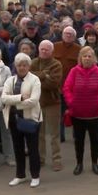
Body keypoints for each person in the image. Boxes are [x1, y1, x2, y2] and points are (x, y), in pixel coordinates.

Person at [63, 46, 98, 176]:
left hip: (95, 114)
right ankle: (79, 163)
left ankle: (95, 163)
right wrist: (71, 102)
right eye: (85, 56)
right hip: (78, 114)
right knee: (79, 141)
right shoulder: (74, 71)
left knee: (95, 140)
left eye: (90, 56)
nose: (87, 58)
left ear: (94, 58)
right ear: (80, 58)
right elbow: (66, 88)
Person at [1, 53, 42, 188]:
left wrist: (14, 102)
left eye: (24, 65)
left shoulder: (35, 80)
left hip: (31, 119)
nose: (22, 68)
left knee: (32, 149)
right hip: (14, 119)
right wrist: (20, 98)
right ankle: (20, 175)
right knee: (18, 149)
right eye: (19, 65)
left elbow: (33, 101)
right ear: (15, 66)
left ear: (29, 66)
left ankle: (35, 176)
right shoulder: (10, 80)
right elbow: (4, 98)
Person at [30, 40, 64, 171]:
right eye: (42, 49)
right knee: (39, 133)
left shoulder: (56, 64)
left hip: (52, 103)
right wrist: (44, 75)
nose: (44, 51)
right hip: (37, 103)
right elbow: (28, 80)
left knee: (54, 134)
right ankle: (40, 158)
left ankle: (57, 159)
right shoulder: (33, 63)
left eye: (47, 49)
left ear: (52, 51)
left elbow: (54, 84)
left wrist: (38, 78)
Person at [53, 26, 81, 142]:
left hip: (73, 88)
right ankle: (60, 136)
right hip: (58, 86)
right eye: (66, 33)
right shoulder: (55, 46)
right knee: (59, 113)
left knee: (75, 112)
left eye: (70, 34)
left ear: (74, 37)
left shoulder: (79, 49)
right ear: (62, 35)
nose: (68, 35)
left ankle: (77, 135)